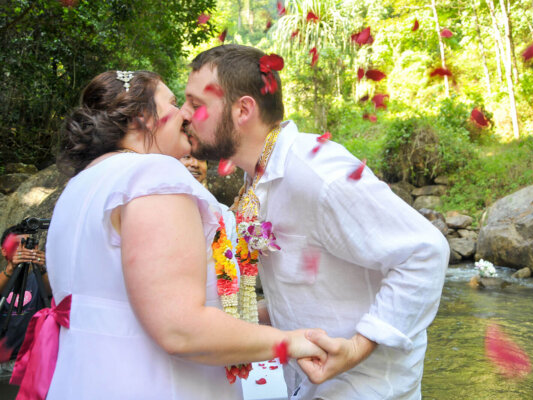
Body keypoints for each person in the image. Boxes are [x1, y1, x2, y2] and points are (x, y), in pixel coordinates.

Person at [11, 70, 326, 400]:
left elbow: (124, 301)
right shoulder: (151, 174)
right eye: (174, 103)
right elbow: (180, 328)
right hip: (151, 384)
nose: (186, 115)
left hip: (83, 378)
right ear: (141, 118)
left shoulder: (80, 186)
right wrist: (292, 341)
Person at [181, 44, 450, 399]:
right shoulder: (257, 178)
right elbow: (308, 285)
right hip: (309, 385)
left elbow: (425, 252)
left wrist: (358, 346)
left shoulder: (318, 173)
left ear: (243, 109)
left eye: (196, 104)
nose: (183, 114)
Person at [0, 227, 50, 379]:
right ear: (4, 250)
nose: (24, 249)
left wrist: (42, 268)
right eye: (18, 245)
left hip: (32, 362)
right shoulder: (3, 277)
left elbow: (53, 293)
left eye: (29, 244)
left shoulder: (40, 279)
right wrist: (11, 269)